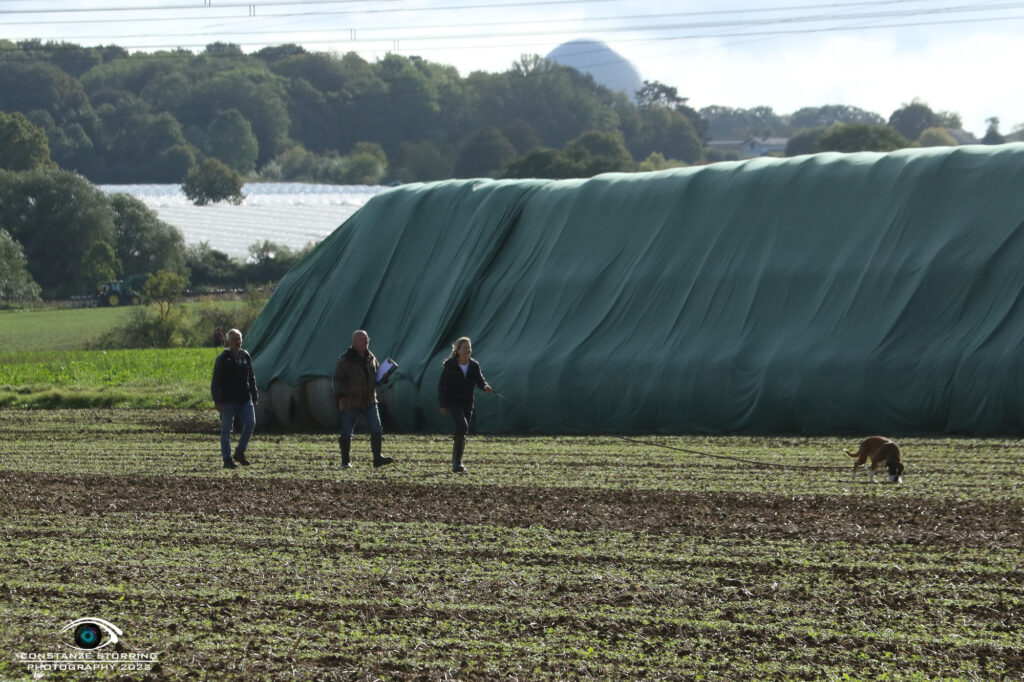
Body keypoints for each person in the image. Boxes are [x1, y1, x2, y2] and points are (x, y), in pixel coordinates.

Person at [333, 330, 393, 469]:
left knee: (377, 429)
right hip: (350, 401)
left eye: (367, 340)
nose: (366, 342)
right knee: (346, 432)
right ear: (355, 341)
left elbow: (376, 378)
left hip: (369, 400)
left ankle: (377, 458)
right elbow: (337, 379)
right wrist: (341, 396)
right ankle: (345, 461)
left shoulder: (371, 357)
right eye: (363, 340)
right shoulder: (345, 359)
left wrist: (384, 377)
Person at [438, 336, 492, 473]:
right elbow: (442, 385)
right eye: (465, 348)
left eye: (469, 347)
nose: (468, 350)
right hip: (453, 402)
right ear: (458, 350)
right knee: (462, 426)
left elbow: (480, 380)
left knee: (463, 430)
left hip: (468, 402)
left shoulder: (474, 365)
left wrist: (485, 386)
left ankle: (457, 461)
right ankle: (457, 462)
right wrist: (443, 404)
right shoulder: (450, 365)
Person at [211, 328, 259, 469]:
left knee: (251, 423)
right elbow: (215, 382)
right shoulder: (222, 359)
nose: (238, 342)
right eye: (234, 339)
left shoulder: (245, 356)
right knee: (227, 430)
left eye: (239, 339)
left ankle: (239, 452)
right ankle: (227, 459)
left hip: (245, 398)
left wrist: (255, 395)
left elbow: (251, 377)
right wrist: (217, 401)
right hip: (228, 400)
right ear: (228, 342)